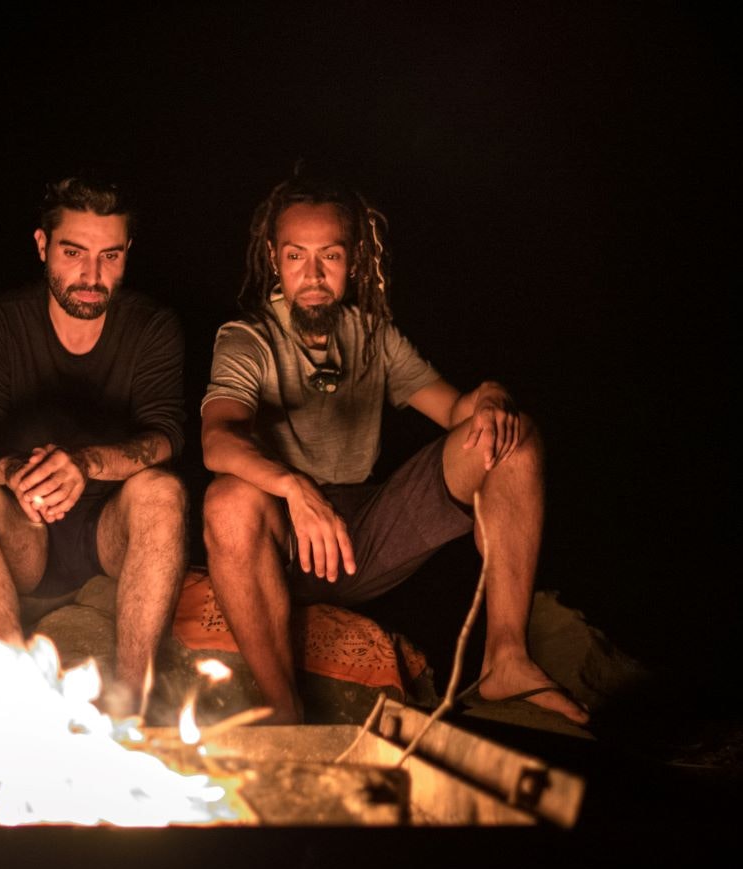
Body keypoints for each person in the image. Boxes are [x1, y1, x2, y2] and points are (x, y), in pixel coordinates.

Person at [200, 175, 589, 726]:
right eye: (295, 256)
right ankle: (283, 706)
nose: (312, 275)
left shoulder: (373, 334)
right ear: (273, 258)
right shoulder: (248, 337)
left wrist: (493, 395)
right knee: (227, 500)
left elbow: (458, 412)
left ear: (355, 258)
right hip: (285, 538)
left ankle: (507, 658)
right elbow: (218, 439)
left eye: (329, 256)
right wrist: (294, 487)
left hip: (363, 536)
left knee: (511, 435)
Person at [0, 176, 187, 714]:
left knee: (162, 492)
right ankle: (13, 706)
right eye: (74, 253)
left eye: (110, 256)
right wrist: (13, 473)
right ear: (43, 246)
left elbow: (167, 434)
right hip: (27, 527)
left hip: (107, 535)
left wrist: (86, 463)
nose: (92, 276)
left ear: (126, 255)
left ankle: (132, 712)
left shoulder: (152, 327)